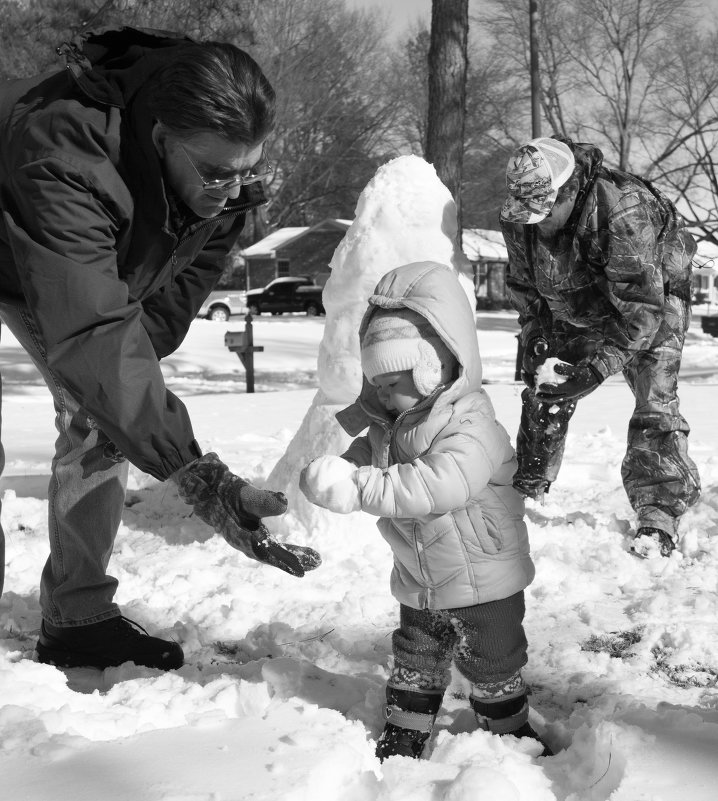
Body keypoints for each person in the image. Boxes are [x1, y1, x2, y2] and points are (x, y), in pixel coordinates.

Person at [0, 26, 320, 671]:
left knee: (105, 420)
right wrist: (196, 473)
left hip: (57, 263)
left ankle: (78, 617)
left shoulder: (220, 170)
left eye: (246, 172)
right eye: (217, 174)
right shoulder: (64, 154)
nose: (233, 189)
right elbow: (91, 332)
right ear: (160, 136)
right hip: (20, 239)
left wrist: (129, 401)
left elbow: (180, 282)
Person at [300, 261, 549, 761]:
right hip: (421, 574)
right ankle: (406, 727)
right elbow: (366, 461)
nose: (385, 394)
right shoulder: (388, 426)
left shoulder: (472, 425)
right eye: (379, 384)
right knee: (415, 653)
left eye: (395, 381)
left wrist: (361, 488)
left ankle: (508, 728)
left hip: (484, 575)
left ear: (435, 367)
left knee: (493, 658)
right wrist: (337, 472)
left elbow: (438, 485)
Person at [499, 135, 701, 559]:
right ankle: (526, 491)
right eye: (528, 212)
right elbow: (525, 287)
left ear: (570, 191)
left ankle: (658, 515)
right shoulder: (520, 216)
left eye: (546, 209)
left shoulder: (625, 211)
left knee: (654, 401)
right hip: (576, 297)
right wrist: (536, 336)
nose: (537, 222)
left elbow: (642, 310)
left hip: (652, 300)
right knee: (544, 387)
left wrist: (593, 370)